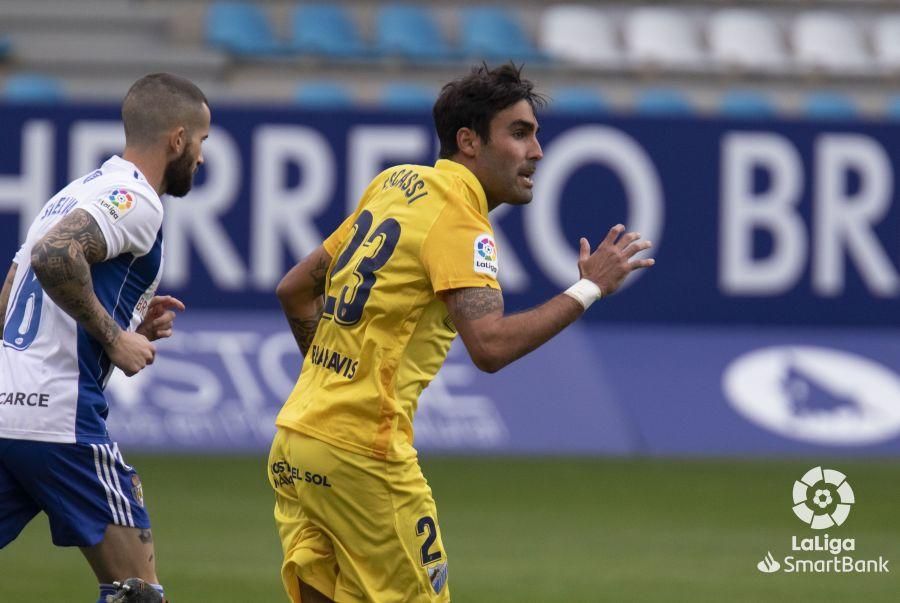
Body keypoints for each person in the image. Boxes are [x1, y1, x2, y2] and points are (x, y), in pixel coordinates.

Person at [268, 63, 655, 603]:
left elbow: (294, 290)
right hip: (364, 457)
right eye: (519, 133)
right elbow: (490, 346)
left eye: (536, 134)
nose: (538, 151)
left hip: (296, 442)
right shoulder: (460, 218)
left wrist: (333, 375)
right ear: (468, 142)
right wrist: (587, 289)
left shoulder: (393, 184)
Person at [0, 73, 210, 603]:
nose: (203, 158)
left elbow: (13, 289)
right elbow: (55, 258)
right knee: (136, 591)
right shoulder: (137, 199)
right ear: (178, 139)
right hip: (58, 417)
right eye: (203, 142)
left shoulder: (70, 195)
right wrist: (114, 336)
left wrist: (124, 320)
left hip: (6, 407)